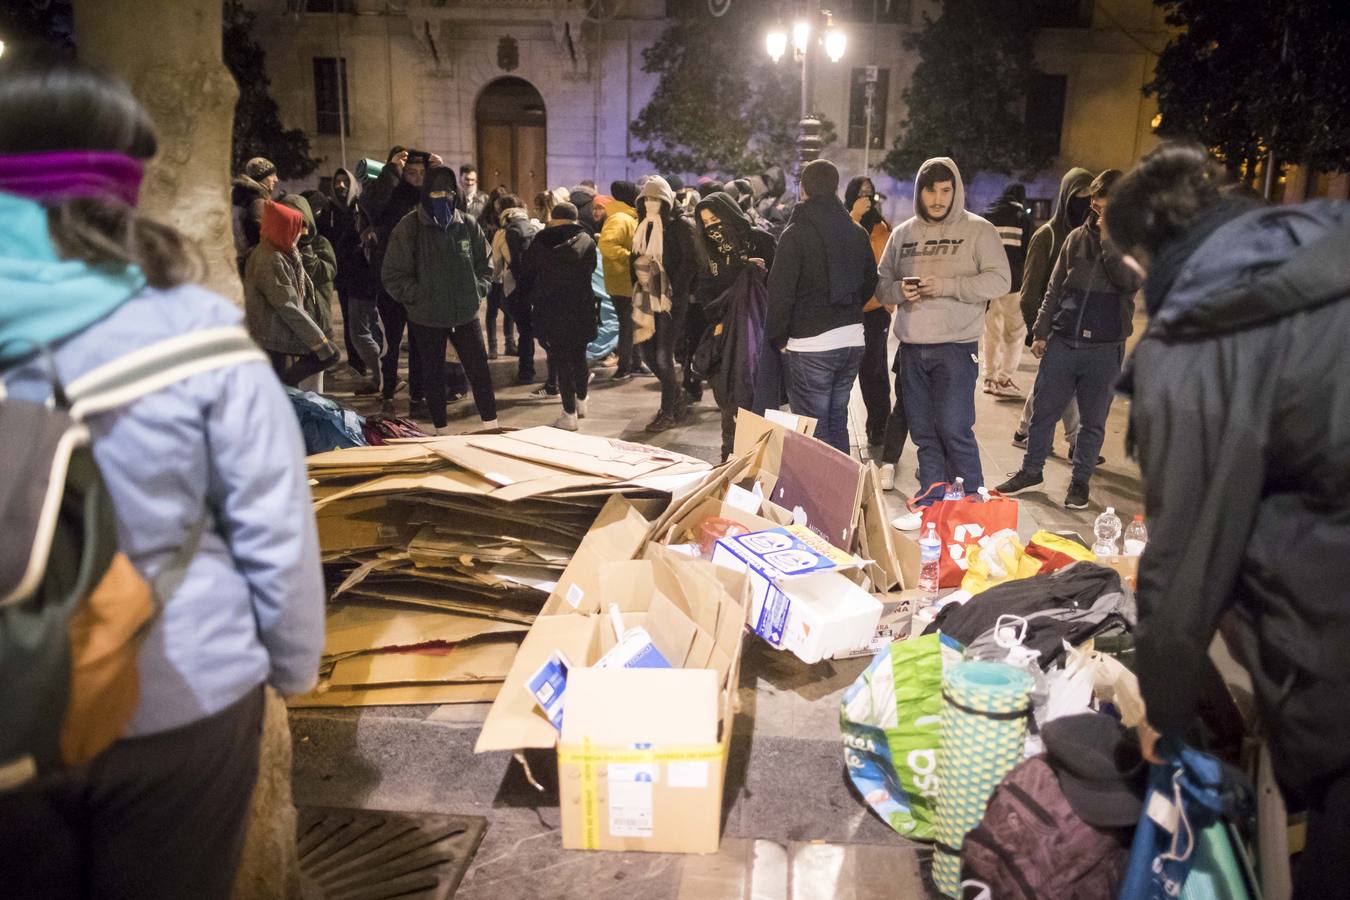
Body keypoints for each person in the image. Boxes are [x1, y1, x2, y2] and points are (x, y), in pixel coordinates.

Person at [0, 59, 324, 899]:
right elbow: (274, 531)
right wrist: (292, 666)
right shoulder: (199, 341)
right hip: (184, 695)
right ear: (123, 189)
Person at [1105, 142, 1350, 898]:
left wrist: (1163, 710)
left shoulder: (1199, 333)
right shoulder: (1326, 238)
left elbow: (1187, 552)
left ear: (1142, 258)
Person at [995, 169, 1140, 509]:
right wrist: (1041, 331)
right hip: (1064, 340)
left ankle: (1080, 482)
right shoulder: (1075, 238)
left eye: (1106, 208)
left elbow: (1128, 282)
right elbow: (1054, 288)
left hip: (1104, 347)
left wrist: (1109, 239)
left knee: (1093, 421)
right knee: (1043, 412)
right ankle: (1031, 471)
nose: (1098, 214)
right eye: (1095, 207)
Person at [876, 157, 1010, 521]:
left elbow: (1001, 280)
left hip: (955, 348)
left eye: (946, 190)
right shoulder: (903, 234)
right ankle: (932, 500)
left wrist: (949, 286)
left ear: (956, 191)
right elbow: (882, 284)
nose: (938, 199)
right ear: (919, 192)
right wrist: (899, 291)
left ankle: (973, 502)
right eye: (930, 190)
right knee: (923, 432)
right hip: (911, 348)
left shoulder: (979, 230)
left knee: (954, 428)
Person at [766, 159, 877, 455]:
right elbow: (870, 281)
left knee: (814, 429)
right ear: (836, 189)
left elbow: (780, 293)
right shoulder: (856, 232)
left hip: (811, 344)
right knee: (837, 421)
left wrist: (778, 339)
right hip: (852, 340)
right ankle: (844, 483)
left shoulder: (795, 233)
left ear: (802, 190)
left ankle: (823, 485)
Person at [381, 165, 497, 435]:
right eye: (435, 191)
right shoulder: (410, 227)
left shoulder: (466, 225)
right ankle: (441, 431)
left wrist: (476, 290)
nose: (442, 197)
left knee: (479, 371)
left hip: (464, 314)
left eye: (447, 191)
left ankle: (492, 426)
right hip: (427, 317)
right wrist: (419, 296)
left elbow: (486, 264)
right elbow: (393, 274)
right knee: (432, 374)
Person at [1012, 166, 1094, 450]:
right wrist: (1038, 331)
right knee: (1067, 384)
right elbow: (1029, 291)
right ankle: (1076, 443)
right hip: (1053, 326)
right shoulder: (1046, 236)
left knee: (1054, 383)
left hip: (1079, 325)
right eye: (1078, 196)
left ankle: (1024, 432)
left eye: (1089, 196)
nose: (1084, 203)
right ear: (1065, 197)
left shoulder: (1089, 237)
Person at [693, 190, 776, 459]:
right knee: (730, 398)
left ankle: (756, 460)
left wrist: (756, 273)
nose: (712, 228)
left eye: (715, 219)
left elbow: (778, 285)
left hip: (758, 332)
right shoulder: (708, 252)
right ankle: (730, 458)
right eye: (706, 223)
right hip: (724, 334)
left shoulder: (760, 240)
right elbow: (705, 292)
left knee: (757, 398)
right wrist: (718, 318)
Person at [363, 147, 440, 411]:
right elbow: (370, 204)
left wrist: (440, 172)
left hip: (422, 282)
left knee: (419, 343)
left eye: (422, 173)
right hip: (392, 282)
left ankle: (418, 396)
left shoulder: (430, 197)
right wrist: (391, 171)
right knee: (391, 341)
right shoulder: (390, 194)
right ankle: (388, 393)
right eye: (411, 172)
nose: (417, 178)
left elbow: (458, 207)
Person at [631, 175, 703, 433]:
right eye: (646, 199)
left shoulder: (680, 225)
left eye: (655, 198)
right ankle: (676, 394)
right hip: (645, 296)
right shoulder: (644, 224)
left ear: (665, 200)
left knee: (663, 355)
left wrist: (673, 288)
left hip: (671, 300)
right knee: (646, 351)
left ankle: (668, 412)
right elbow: (635, 257)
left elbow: (691, 262)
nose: (650, 203)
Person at [518, 201, 599, 431]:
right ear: (575, 218)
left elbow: (528, 273)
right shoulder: (586, 240)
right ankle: (581, 403)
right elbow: (591, 269)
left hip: (551, 308)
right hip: (581, 306)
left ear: (553, 218)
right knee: (579, 356)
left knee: (561, 360)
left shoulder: (541, 241)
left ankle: (568, 414)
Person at [244, 199, 340, 387]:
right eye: (296, 229)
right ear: (284, 229)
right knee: (330, 355)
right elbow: (287, 305)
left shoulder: (271, 251)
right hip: (272, 336)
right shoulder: (273, 258)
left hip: (271, 334)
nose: (300, 235)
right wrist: (319, 341)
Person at [844, 175, 896, 456]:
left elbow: (889, 265)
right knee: (842, 371)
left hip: (874, 310)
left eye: (870, 193)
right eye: (860, 192)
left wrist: (887, 300)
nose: (866, 197)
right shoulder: (842, 221)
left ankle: (879, 426)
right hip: (845, 309)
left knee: (874, 370)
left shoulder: (881, 226)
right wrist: (853, 216)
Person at [330, 166, 384, 392]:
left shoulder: (366, 212)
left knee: (362, 333)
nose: (341, 186)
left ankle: (383, 378)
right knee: (366, 331)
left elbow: (358, 248)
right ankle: (381, 378)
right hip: (355, 281)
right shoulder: (359, 212)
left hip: (363, 283)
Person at [279, 193, 338, 391]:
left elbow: (324, 272)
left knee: (313, 391)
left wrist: (305, 249)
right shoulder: (279, 247)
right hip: (291, 327)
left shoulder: (320, 243)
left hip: (316, 323)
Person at [981, 182, 1034, 399]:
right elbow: (1029, 254)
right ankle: (1004, 379)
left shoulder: (986, 216)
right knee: (1014, 334)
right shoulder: (1023, 219)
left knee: (990, 333)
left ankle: (989, 378)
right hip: (1014, 284)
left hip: (989, 284)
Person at [600, 180, 640, 381]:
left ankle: (635, 363)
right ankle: (625, 366)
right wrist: (630, 257)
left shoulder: (627, 216)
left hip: (628, 279)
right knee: (627, 324)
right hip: (622, 280)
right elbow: (606, 244)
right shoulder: (619, 218)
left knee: (634, 323)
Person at [230, 156, 277, 275]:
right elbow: (262, 233)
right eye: (272, 175)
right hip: (251, 261)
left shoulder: (238, 194)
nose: (276, 179)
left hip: (236, 257)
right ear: (262, 178)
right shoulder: (257, 200)